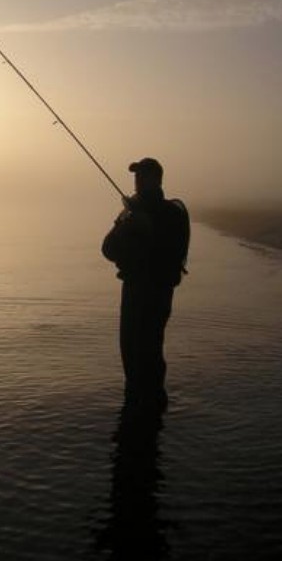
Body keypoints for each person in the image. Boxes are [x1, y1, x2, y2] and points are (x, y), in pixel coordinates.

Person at [101, 158, 189, 410]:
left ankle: (148, 409)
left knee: (145, 351)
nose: (137, 181)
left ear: (156, 179)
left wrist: (138, 224)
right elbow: (107, 249)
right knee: (136, 352)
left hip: (151, 292)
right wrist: (126, 222)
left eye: (142, 176)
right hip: (140, 291)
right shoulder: (132, 213)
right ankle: (142, 406)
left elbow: (165, 252)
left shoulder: (168, 214)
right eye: (136, 176)